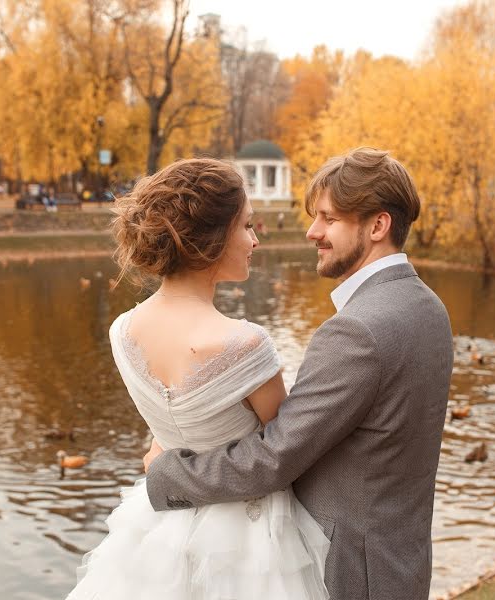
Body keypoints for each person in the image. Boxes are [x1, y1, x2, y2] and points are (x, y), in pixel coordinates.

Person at [144, 148, 454, 600]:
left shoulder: (356, 331)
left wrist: (167, 474)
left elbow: (275, 458)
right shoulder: (429, 307)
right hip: (399, 566)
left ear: (377, 226)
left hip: (348, 575)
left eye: (328, 219)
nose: (312, 232)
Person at [65, 158, 330, 599]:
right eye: (246, 227)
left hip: (161, 525)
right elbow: (286, 454)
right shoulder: (245, 344)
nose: (254, 239)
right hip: (253, 545)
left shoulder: (122, 332)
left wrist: (158, 454)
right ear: (213, 238)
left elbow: (163, 435)